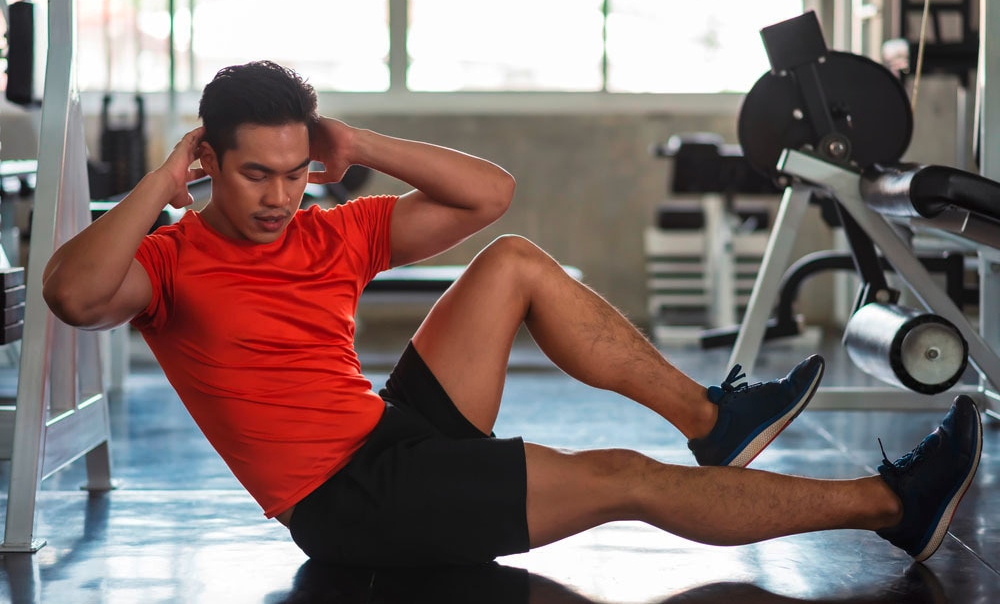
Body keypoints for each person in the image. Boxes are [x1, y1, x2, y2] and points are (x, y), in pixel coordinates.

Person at [42, 61, 982, 567]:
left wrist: (358, 142)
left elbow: (489, 194)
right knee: (621, 476)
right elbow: (73, 293)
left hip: (388, 433)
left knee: (512, 263)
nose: (282, 196)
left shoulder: (331, 230)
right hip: (349, 501)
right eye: (255, 174)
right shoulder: (168, 262)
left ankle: (714, 418)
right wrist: (162, 182)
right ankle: (896, 507)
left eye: (295, 172)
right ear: (210, 158)